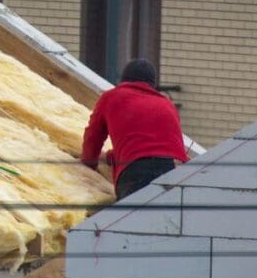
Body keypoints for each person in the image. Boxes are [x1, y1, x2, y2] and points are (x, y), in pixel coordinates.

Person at [81, 59, 189, 200]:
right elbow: (149, 147)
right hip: (174, 170)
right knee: (165, 220)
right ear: (152, 85)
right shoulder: (167, 105)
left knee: (133, 219)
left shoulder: (111, 97)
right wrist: (108, 158)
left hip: (135, 172)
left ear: (124, 80)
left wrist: (88, 164)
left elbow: (93, 137)